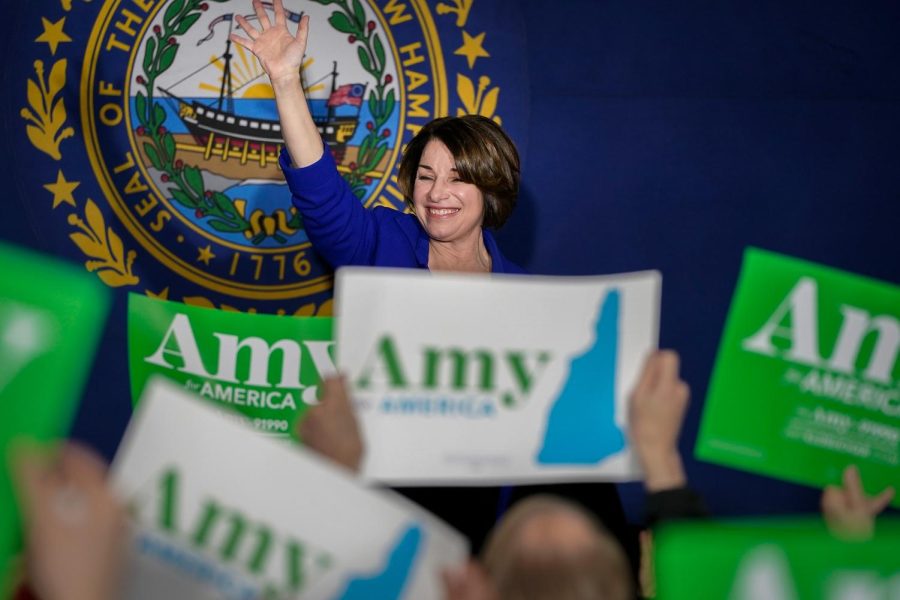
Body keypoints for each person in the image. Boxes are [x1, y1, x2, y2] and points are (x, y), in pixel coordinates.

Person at [229, 1, 524, 274]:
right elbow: (321, 195)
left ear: (492, 186)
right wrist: (285, 81)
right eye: (425, 176)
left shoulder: (524, 289)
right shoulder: (380, 241)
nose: (436, 193)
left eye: (457, 178)